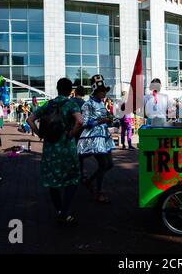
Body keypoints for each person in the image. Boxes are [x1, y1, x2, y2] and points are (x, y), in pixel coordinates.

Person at [27, 78, 83, 225]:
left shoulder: (49, 104)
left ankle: (59, 210)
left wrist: (39, 133)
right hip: (66, 147)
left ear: (57, 89)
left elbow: (30, 120)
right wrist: (71, 134)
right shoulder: (71, 104)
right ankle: (64, 211)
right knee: (74, 177)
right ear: (70, 90)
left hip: (50, 148)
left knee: (53, 180)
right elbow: (80, 121)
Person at [78, 75, 116, 203]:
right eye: (103, 90)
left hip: (104, 136)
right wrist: (100, 121)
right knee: (104, 164)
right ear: (96, 91)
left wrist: (112, 121)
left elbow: (105, 120)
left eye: (105, 90)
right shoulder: (88, 104)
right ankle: (98, 193)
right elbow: (84, 123)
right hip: (94, 138)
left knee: (109, 164)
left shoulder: (101, 103)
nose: (105, 92)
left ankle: (89, 181)